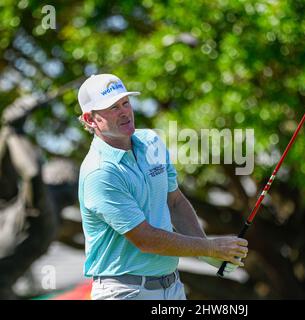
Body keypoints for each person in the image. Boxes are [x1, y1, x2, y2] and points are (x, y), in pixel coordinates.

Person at [77, 74, 248, 300]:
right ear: (90, 120)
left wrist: (208, 253)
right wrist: (210, 248)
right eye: (112, 107)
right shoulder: (100, 173)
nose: (124, 112)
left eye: (125, 103)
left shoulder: (151, 142)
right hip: (123, 291)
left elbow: (175, 202)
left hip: (172, 286)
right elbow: (146, 239)